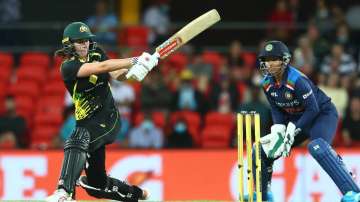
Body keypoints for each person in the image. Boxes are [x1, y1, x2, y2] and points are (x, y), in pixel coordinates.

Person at [46, 21, 159, 202]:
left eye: (87, 40)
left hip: (108, 118)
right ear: (69, 44)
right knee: (96, 185)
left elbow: (116, 74)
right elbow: (101, 68)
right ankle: (140, 195)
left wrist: (135, 71)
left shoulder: (97, 52)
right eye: (79, 41)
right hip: (88, 124)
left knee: (78, 137)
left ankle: (64, 192)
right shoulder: (68, 67)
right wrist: (135, 60)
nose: (85, 44)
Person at [249, 40, 359, 201]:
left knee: (317, 146)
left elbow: (313, 109)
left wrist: (292, 129)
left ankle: (353, 191)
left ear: (285, 60)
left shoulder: (296, 80)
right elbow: (276, 108)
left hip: (322, 114)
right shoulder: (266, 84)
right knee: (261, 150)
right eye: (266, 60)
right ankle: (263, 196)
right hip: (297, 119)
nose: (269, 64)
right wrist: (279, 129)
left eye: (273, 59)